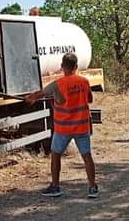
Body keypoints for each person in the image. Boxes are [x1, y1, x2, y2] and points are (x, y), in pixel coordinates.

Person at [27, 53, 98, 198]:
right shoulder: (84, 81)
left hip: (63, 129)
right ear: (76, 67)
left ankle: (56, 186)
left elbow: (40, 94)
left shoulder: (58, 84)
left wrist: (30, 98)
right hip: (81, 127)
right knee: (87, 156)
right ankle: (92, 187)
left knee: (56, 155)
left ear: (62, 67)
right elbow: (89, 99)